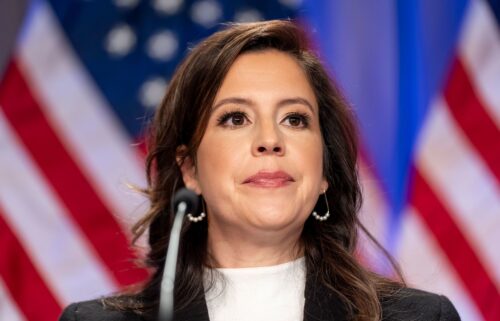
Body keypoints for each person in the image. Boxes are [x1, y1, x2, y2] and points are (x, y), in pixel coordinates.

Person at [59, 20, 460, 321]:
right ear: (189, 169)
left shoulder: (421, 318)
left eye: (295, 119)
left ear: (323, 172)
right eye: (235, 119)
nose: (270, 140)